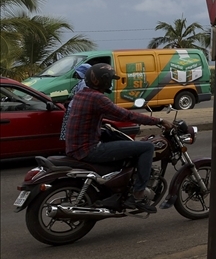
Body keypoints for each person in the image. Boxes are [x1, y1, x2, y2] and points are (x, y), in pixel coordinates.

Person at [63, 63, 172, 213]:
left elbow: (103, 114)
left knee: (125, 144)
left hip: (76, 146)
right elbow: (126, 115)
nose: (111, 83)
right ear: (102, 80)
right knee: (147, 147)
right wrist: (159, 121)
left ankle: (120, 187)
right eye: (109, 80)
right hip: (89, 149)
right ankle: (138, 194)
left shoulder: (81, 94)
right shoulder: (98, 98)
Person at [59, 63, 91, 141]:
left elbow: (80, 96)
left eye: (78, 73)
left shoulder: (84, 83)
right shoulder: (82, 81)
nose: (76, 74)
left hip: (75, 109)